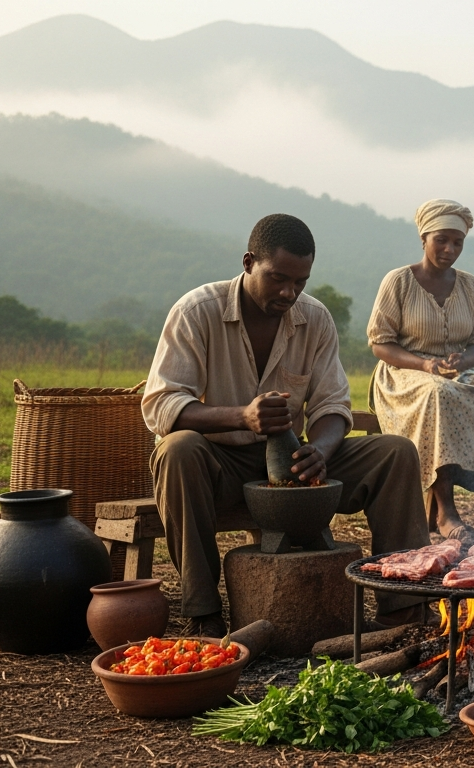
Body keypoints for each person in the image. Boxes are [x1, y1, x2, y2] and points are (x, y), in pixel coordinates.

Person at [143, 214, 432, 638]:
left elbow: (332, 404)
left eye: (300, 282)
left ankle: (404, 610)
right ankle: (203, 612)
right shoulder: (196, 312)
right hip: (222, 464)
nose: (288, 292)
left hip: (296, 467)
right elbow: (161, 404)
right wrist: (242, 416)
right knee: (177, 449)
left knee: (395, 452)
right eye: (278, 278)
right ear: (248, 262)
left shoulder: (313, 318)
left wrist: (322, 450)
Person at [367, 199, 474, 541]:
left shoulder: (470, 286)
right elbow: (380, 344)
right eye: (441, 239)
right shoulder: (398, 281)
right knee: (437, 394)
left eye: (458, 242)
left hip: (456, 376)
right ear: (424, 238)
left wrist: (462, 361)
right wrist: (425, 364)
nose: (450, 249)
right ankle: (445, 513)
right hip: (404, 375)